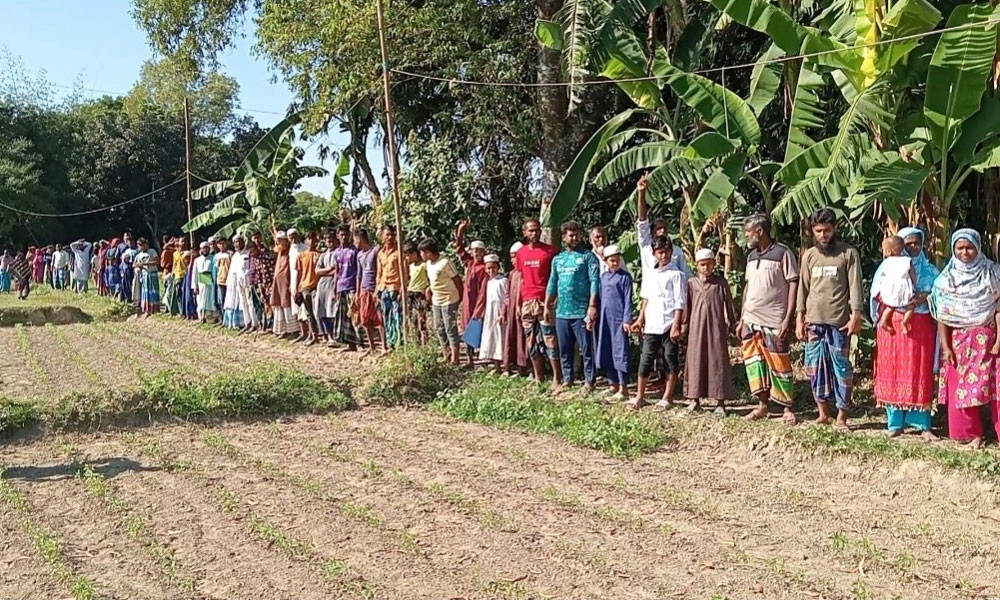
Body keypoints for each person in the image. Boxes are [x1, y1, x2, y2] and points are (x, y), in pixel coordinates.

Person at [929, 229, 1000, 448]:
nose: (965, 252)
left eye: (969, 247)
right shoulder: (945, 280)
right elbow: (943, 317)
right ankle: (972, 435)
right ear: (953, 249)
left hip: (989, 340)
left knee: (995, 387)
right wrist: (946, 347)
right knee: (961, 387)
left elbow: (999, 309)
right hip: (958, 342)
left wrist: (999, 341)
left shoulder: (993, 274)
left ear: (978, 247)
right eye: (960, 248)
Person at [796, 208, 864, 431]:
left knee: (841, 368)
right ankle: (823, 413)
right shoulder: (809, 255)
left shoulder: (848, 253)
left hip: (839, 322)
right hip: (813, 321)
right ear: (812, 231)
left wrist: (856, 315)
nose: (823, 235)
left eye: (826, 230)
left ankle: (842, 416)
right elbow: (803, 288)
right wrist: (799, 317)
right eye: (818, 231)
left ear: (834, 228)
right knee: (814, 367)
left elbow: (855, 286)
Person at [870, 226, 939, 440]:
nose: (913, 247)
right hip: (893, 327)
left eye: (917, 243)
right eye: (908, 244)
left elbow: (942, 294)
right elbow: (876, 293)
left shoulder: (931, 271)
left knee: (920, 371)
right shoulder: (886, 267)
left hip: (921, 326)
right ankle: (895, 423)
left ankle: (923, 424)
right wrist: (894, 299)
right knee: (893, 370)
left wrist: (925, 296)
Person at [739, 214, 800, 424]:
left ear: (760, 231)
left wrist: (787, 318)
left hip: (775, 318)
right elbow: (748, 287)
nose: (746, 235)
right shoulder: (751, 257)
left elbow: (793, 283)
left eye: (749, 231)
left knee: (779, 363)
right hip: (751, 319)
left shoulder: (782, 253)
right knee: (755, 363)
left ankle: (787, 407)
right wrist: (742, 317)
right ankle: (762, 405)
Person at [630, 236, 686, 409]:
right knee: (646, 359)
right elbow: (646, 299)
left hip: (669, 324)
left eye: (667, 251)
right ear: (654, 254)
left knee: (670, 359)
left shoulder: (677, 275)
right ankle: (640, 396)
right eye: (660, 252)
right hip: (652, 324)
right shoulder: (650, 274)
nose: (664, 255)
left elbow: (680, 302)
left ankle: (667, 397)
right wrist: (640, 319)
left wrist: (676, 325)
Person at [544, 220, 600, 393]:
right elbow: (552, 283)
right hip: (562, 311)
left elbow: (594, 281)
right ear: (564, 237)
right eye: (571, 235)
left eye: (577, 235)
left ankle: (589, 381)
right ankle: (567, 379)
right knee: (564, 349)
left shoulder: (588, 257)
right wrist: (547, 306)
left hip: (581, 311)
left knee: (586, 348)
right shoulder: (558, 259)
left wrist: (592, 305)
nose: (574, 238)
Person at [684, 248, 737, 415]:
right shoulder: (692, 283)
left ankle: (720, 402)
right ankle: (694, 399)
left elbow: (729, 305)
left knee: (717, 361)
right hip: (696, 329)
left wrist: (734, 324)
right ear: (697, 265)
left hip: (716, 329)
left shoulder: (720, 283)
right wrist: (683, 326)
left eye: (708, 264)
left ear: (714, 264)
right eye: (702, 265)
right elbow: (687, 307)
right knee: (695, 361)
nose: (705, 268)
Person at [515, 219, 560, 382]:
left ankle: (557, 377)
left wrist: (553, 300)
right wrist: (518, 304)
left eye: (537, 230)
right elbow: (521, 279)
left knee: (550, 338)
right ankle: (538, 377)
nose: (534, 233)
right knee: (531, 340)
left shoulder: (550, 251)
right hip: (527, 301)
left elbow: (556, 278)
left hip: (544, 301)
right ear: (525, 233)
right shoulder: (521, 253)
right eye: (531, 230)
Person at [636, 174, 692, 279]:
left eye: (664, 228)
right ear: (652, 232)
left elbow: (687, 275)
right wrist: (641, 192)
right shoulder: (646, 245)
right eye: (658, 228)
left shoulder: (676, 251)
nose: (662, 231)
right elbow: (642, 220)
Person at [595, 244, 633, 400]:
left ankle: (623, 387)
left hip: (619, 320)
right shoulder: (603, 277)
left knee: (620, 351)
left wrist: (627, 319)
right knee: (607, 349)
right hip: (605, 319)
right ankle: (613, 384)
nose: (615, 263)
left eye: (617, 260)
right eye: (612, 261)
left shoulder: (625, 277)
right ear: (606, 261)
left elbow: (628, 300)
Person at [420, 237, 463, 364]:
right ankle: (446, 354)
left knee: (450, 328)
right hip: (436, 300)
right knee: (439, 328)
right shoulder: (428, 264)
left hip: (449, 299)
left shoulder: (445, 262)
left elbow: (457, 280)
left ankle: (455, 358)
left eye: (422, 252)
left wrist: (460, 298)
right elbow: (433, 281)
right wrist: (429, 289)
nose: (421, 255)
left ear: (429, 252)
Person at [455, 220, 488, 366]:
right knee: (468, 328)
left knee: (482, 326)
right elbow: (459, 248)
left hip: (481, 300)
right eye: (475, 251)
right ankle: (470, 359)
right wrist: (460, 231)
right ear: (472, 252)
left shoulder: (486, 266)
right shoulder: (469, 263)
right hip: (468, 300)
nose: (478, 253)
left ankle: (485, 355)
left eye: (480, 251)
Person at [873, 236, 916, 334]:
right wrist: (914, 284)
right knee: (911, 305)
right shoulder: (907, 260)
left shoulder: (886, 262)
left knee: (890, 306)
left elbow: (882, 276)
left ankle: (883, 322)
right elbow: (912, 274)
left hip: (890, 288)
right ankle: (905, 321)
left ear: (888, 251)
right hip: (904, 288)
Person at [474, 254, 509, 374]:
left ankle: (507, 367)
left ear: (498, 267)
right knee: (491, 338)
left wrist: (503, 313)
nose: (491, 270)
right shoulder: (487, 282)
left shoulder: (503, 281)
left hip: (500, 314)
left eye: (493, 267)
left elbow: (506, 298)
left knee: (502, 339)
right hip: (490, 315)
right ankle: (497, 367)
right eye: (488, 268)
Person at [332, 225, 362, 351]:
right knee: (343, 316)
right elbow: (336, 271)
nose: (344, 237)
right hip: (340, 286)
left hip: (352, 285)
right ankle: (350, 344)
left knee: (354, 314)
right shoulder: (336, 252)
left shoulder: (354, 251)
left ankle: (360, 343)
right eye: (341, 235)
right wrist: (334, 289)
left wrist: (357, 289)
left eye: (346, 234)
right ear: (338, 236)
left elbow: (358, 270)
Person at [355, 228, 385, 352]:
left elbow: (380, 270)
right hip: (364, 289)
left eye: (355, 240)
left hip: (374, 288)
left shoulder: (375, 251)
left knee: (379, 318)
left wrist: (378, 288)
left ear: (360, 239)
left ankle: (384, 346)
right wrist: (357, 293)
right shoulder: (359, 255)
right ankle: (372, 347)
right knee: (365, 318)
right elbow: (359, 275)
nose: (354, 243)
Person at [377, 225, 404, 350]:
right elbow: (379, 273)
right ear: (382, 237)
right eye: (387, 235)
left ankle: (399, 342)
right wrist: (377, 289)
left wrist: (403, 287)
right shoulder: (380, 253)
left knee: (397, 316)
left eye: (392, 235)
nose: (389, 237)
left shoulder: (399, 253)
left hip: (395, 288)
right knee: (387, 316)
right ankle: (390, 342)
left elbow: (405, 272)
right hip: (384, 288)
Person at [502, 242, 527, 376]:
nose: (513, 260)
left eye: (515, 257)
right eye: (511, 257)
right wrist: (504, 310)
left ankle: (524, 366)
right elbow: (507, 294)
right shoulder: (512, 273)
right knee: (511, 337)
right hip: (511, 310)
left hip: (523, 309)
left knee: (522, 338)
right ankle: (511, 365)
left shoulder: (526, 272)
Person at [270, 229, 298, 337]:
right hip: (278, 283)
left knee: (287, 304)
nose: (278, 242)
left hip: (286, 283)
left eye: (280, 240)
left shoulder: (289, 252)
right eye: (277, 240)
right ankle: (282, 330)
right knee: (279, 305)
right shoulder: (279, 253)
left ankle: (293, 330)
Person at [314, 230, 341, 346]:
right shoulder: (323, 255)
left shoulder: (338, 253)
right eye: (328, 241)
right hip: (323, 285)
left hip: (334, 283)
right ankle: (329, 336)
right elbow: (317, 271)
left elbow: (338, 270)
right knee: (323, 310)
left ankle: (336, 335)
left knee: (333, 310)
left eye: (332, 240)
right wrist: (329, 270)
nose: (330, 242)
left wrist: (328, 272)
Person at [295, 232, 321, 345]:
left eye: (314, 239)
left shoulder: (319, 255)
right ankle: (314, 335)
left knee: (317, 311)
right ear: (305, 240)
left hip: (316, 286)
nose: (312, 241)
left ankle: (322, 335)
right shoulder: (301, 256)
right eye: (310, 239)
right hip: (305, 287)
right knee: (309, 313)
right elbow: (299, 273)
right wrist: (298, 288)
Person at [223, 235, 251, 330]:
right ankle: (238, 323)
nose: (237, 244)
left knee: (248, 303)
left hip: (246, 283)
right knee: (237, 302)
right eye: (235, 242)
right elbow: (231, 271)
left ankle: (250, 322)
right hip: (235, 284)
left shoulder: (247, 254)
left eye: (239, 241)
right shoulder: (234, 256)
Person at [405, 242, 430, 345]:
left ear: (415, 254)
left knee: (421, 320)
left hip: (419, 294)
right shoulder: (411, 266)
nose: (406, 258)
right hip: (411, 293)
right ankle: (417, 342)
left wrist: (428, 290)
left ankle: (425, 343)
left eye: (408, 255)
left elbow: (430, 279)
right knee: (413, 320)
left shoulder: (424, 265)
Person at [250, 231, 275, 333]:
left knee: (272, 304)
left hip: (270, 281)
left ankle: (272, 325)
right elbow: (258, 273)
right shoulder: (254, 255)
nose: (257, 240)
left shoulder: (266, 252)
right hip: (260, 283)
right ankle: (264, 325)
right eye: (255, 238)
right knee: (262, 304)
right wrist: (260, 287)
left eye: (258, 237)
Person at [191, 241, 217, 323]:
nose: (205, 250)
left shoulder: (213, 258)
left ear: (209, 249)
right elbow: (194, 274)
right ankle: (201, 317)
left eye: (206, 248)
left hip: (210, 283)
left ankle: (210, 318)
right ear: (201, 249)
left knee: (210, 300)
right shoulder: (197, 260)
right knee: (200, 300)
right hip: (201, 283)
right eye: (203, 248)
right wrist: (195, 286)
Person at [134, 238, 160, 316]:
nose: (141, 247)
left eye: (142, 245)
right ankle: (146, 310)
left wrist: (145, 264)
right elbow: (134, 264)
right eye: (139, 246)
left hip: (152, 274)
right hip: (144, 275)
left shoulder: (152, 251)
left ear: (145, 245)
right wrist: (138, 265)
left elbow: (156, 261)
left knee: (153, 291)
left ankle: (154, 310)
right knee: (145, 292)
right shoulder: (138, 255)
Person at [214, 238, 232, 320]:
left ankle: (229, 318)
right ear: (217, 245)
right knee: (221, 299)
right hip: (220, 280)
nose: (222, 245)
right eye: (220, 244)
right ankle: (223, 317)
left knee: (230, 299)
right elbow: (215, 268)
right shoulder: (216, 256)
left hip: (229, 279)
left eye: (223, 243)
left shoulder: (230, 254)